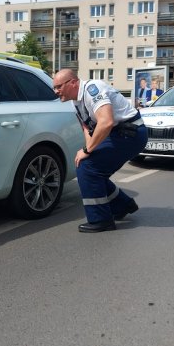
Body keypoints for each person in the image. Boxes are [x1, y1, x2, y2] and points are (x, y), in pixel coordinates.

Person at [53, 69, 148, 233]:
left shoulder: (93, 89)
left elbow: (106, 121)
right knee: (88, 165)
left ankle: (101, 220)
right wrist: (87, 152)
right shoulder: (74, 101)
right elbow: (87, 128)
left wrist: (87, 151)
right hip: (117, 134)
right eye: (54, 88)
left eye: (58, 87)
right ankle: (123, 205)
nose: (56, 91)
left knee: (88, 168)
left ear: (73, 82)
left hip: (130, 133)